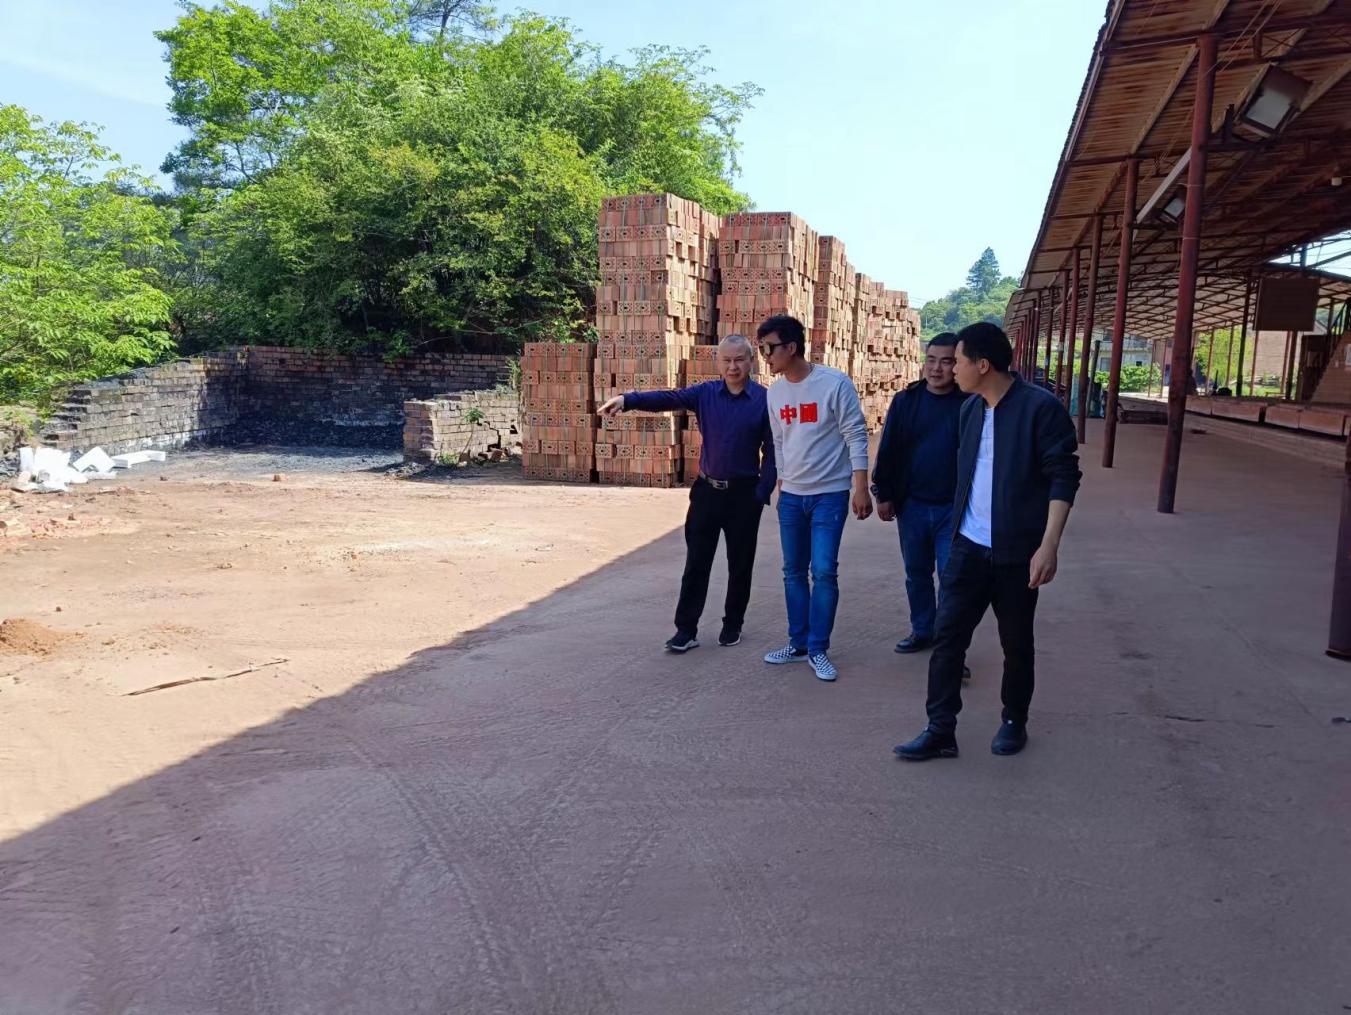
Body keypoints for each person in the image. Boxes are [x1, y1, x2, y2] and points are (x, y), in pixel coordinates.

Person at [893, 322, 1081, 760]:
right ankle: (940, 729)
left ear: (982, 365)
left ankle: (1014, 720)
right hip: (968, 547)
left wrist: (1049, 545)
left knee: (1016, 642)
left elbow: (1064, 476)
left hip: (1018, 552)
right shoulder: (971, 410)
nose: (950, 369)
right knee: (947, 639)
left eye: (957, 360)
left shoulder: (1041, 409)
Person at [599, 334, 775, 652]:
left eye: (739, 360)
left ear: (752, 361)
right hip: (707, 492)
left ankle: (732, 624)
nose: (733, 367)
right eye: (726, 360)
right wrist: (628, 399)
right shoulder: (705, 393)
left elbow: (773, 449)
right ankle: (686, 630)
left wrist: (762, 492)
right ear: (718, 363)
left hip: (744, 496)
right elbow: (669, 398)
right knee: (696, 563)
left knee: (740, 564)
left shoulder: (764, 401)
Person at [758, 314, 872, 682]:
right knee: (792, 571)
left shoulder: (834, 384)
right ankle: (799, 644)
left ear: (791, 347)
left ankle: (818, 648)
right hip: (792, 496)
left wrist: (860, 486)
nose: (765, 357)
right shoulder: (775, 393)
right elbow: (778, 441)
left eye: (769, 349)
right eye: (761, 349)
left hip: (829, 495)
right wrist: (781, 480)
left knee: (823, 571)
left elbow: (856, 434)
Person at [872, 333, 966, 655]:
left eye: (946, 361)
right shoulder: (906, 401)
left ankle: (949, 646)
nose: (937, 369)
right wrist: (883, 492)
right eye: (931, 360)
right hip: (912, 505)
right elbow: (889, 448)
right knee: (917, 573)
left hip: (954, 509)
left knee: (952, 579)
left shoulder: (969, 403)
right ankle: (923, 630)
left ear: (958, 365)